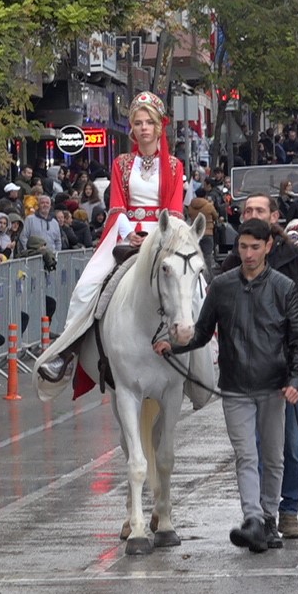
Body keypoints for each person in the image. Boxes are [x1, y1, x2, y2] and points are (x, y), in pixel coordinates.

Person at [153, 220, 298, 552]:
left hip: (274, 386)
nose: (248, 254)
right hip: (236, 387)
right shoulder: (222, 286)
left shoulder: (283, 287)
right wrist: (174, 345)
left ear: (268, 247)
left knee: (273, 456)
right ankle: (252, 519)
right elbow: (203, 331)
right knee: (245, 455)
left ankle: (268, 519)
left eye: (255, 247)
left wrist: (295, 380)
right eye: (243, 247)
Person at [37, 91, 186, 391]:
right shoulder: (121, 163)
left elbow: (174, 209)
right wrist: (130, 232)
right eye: (138, 122)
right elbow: (117, 204)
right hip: (126, 232)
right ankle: (67, 354)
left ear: (159, 127)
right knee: (87, 287)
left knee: (193, 282)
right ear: (132, 127)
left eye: (149, 122)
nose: (144, 128)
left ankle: (203, 353)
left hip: (164, 235)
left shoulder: (173, 165)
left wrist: (157, 235)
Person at [218, 194, 298, 539]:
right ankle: (258, 517)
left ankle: (288, 510)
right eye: (248, 211)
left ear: (275, 218)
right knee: (250, 449)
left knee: (290, 445)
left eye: (259, 211)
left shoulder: (295, 258)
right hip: (246, 372)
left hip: (286, 370)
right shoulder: (232, 265)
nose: (252, 214)